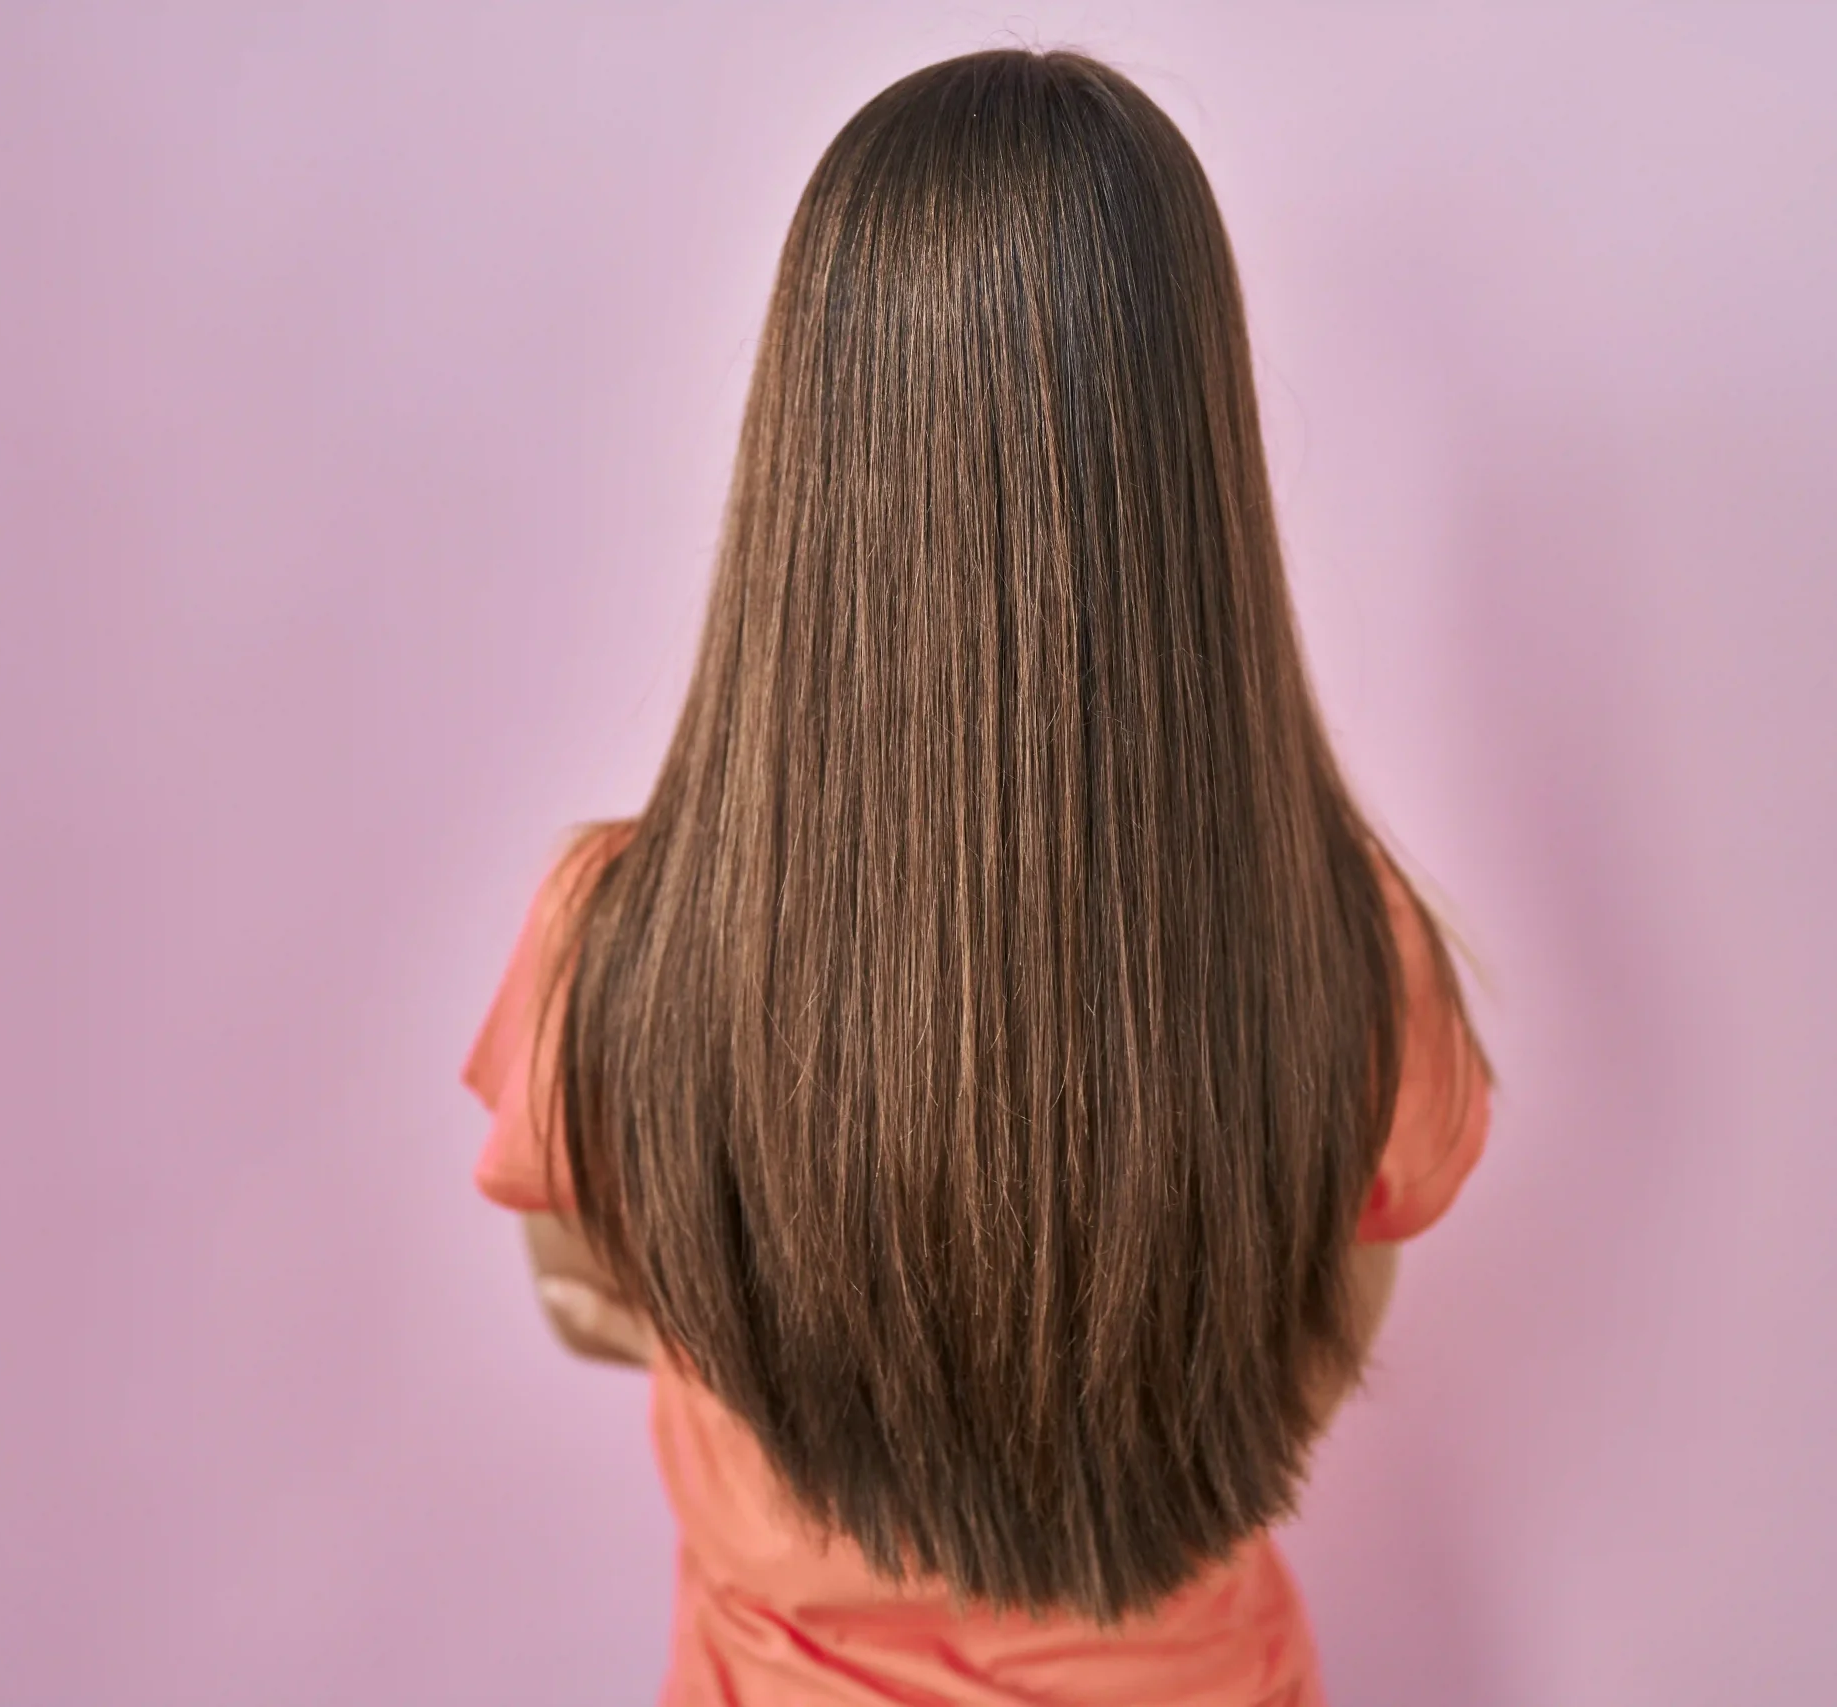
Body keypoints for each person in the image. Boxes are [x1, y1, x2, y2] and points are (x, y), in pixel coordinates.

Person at [461, 47, 1490, 1706]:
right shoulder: (1347, 953)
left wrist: (835, 1335)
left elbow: (596, 1302)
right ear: (1190, 463)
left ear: (814, 451)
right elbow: (1310, 1361)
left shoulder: (617, 951)